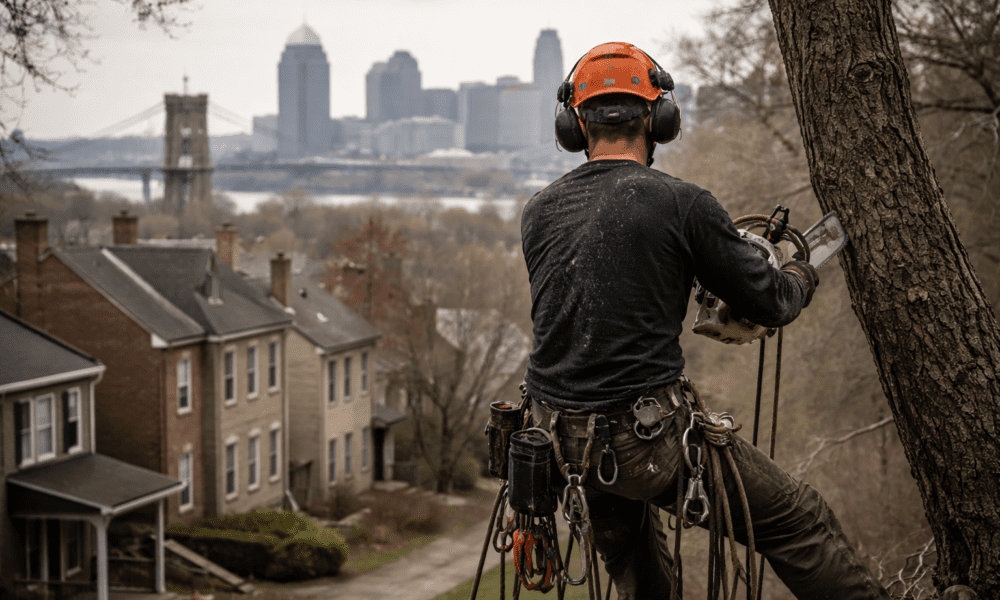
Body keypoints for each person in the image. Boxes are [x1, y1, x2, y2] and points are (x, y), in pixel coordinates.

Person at [519, 42, 891, 600]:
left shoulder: (538, 211)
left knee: (644, 580)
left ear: (575, 124)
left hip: (563, 445)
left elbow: (606, 296)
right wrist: (799, 273)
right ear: (658, 119)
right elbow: (771, 303)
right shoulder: (682, 204)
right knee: (800, 522)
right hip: (648, 442)